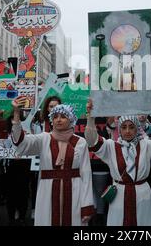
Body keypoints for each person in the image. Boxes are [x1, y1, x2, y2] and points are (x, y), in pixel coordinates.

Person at [85, 100, 151, 226]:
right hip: (119, 195)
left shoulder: (146, 144)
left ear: (137, 129)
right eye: (124, 127)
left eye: (131, 127)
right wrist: (91, 117)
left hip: (142, 194)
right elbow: (92, 141)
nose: (127, 131)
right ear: (119, 130)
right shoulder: (111, 146)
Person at [10, 96, 95, 226]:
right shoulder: (44, 139)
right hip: (47, 193)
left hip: (74, 193)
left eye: (63, 116)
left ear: (70, 119)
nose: (58, 120)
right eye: (55, 117)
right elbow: (21, 144)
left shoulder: (80, 142)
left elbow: (86, 175)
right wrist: (16, 113)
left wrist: (87, 205)